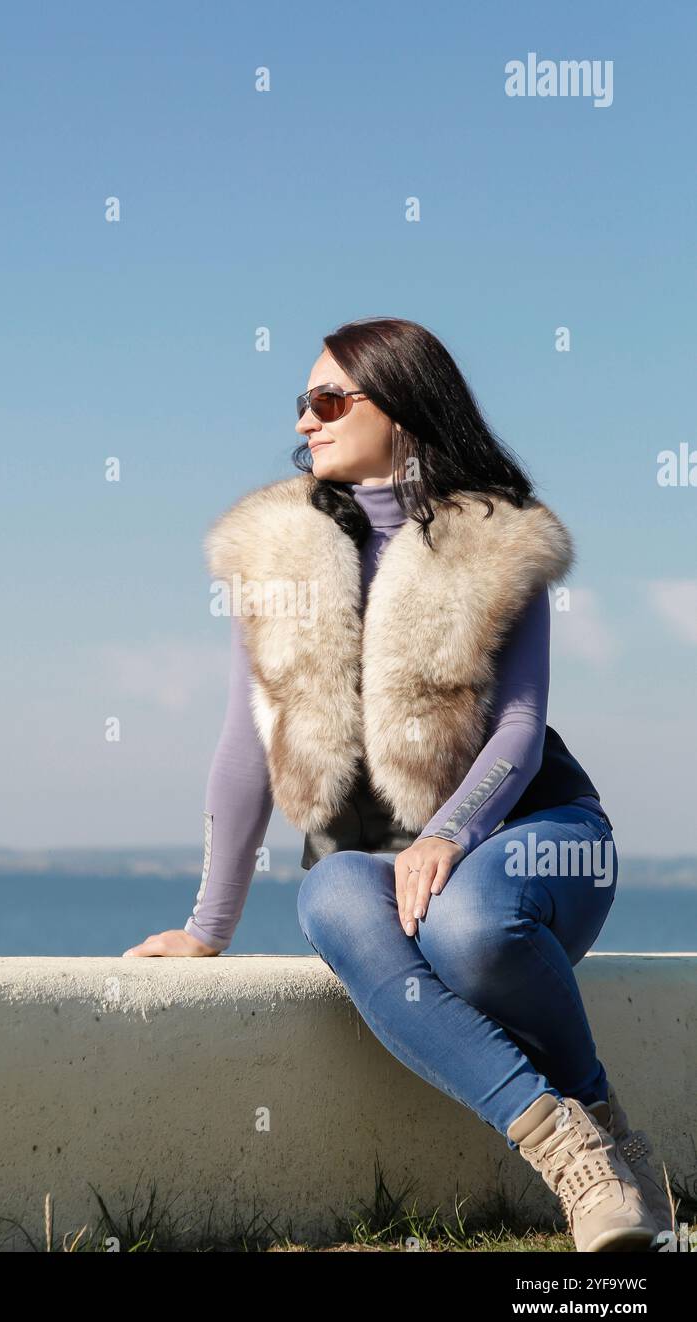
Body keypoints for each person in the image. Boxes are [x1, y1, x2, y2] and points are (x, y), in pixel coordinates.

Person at [124, 316, 673, 1252]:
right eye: (301, 404)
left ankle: (604, 1124)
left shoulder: (499, 543)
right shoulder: (276, 559)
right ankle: (581, 1158)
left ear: (404, 409)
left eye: (331, 400)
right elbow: (245, 741)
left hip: (535, 836)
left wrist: (447, 838)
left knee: (469, 928)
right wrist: (208, 928)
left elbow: (519, 729)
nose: (308, 422)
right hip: (379, 864)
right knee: (331, 893)